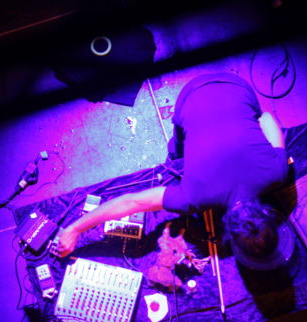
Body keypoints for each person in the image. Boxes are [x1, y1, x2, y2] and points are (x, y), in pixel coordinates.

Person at [54, 72, 289, 266]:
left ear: (268, 215)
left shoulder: (278, 172)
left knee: (180, 152)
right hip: (190, 95)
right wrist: (74, 230)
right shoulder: (193, 198)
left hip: (235, 84)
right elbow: (131, 203)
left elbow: (266, 119)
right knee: (177, 155)